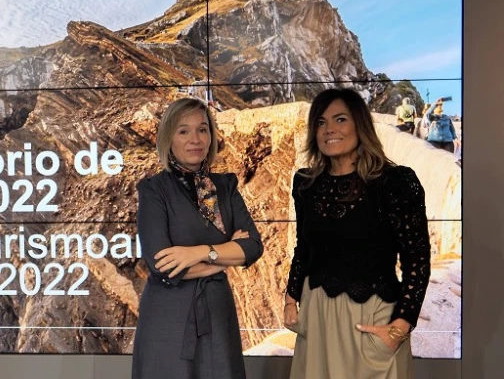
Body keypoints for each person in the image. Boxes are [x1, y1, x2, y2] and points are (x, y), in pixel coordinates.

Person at [283, 88, 431, 379]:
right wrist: (291, 298)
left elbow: (417, 260)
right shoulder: (306, 184)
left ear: (360, 125)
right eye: (321, 122)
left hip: (372, 320)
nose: (329, 129)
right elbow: (305, 248)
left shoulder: (395, 182)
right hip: (316, 318)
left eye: (340, 119)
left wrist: (400, 327)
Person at [132, 97, 264, 379]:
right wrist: (225, 256)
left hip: (218, 316)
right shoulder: (154, 190)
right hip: (168, 320)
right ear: (168, 138)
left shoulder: (225, 187)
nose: (195, 139)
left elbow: (252, 247)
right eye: (184, 131)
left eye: (202, 130)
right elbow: (163, 266)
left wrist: (199, 252)